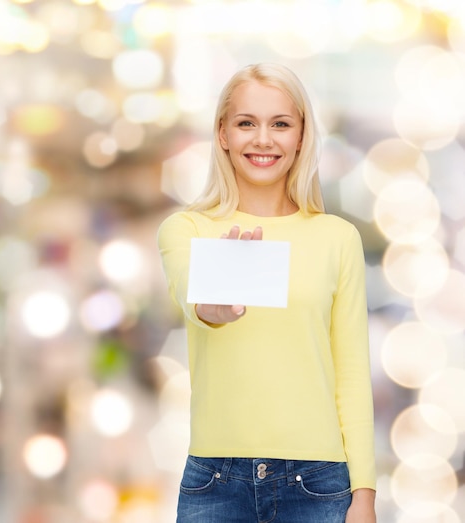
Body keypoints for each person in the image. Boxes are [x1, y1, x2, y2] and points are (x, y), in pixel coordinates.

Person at [157, 63, 376, 522]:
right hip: (215, 482)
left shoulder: (337, 238)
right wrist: (215, 305)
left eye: (280, 124)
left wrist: (365, 497)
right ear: (222, 134)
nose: (262, 139)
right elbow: (194, 300)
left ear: (301, 136)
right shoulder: (187, 229)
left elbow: (352, 375)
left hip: (318, 484)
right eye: (245, 124)